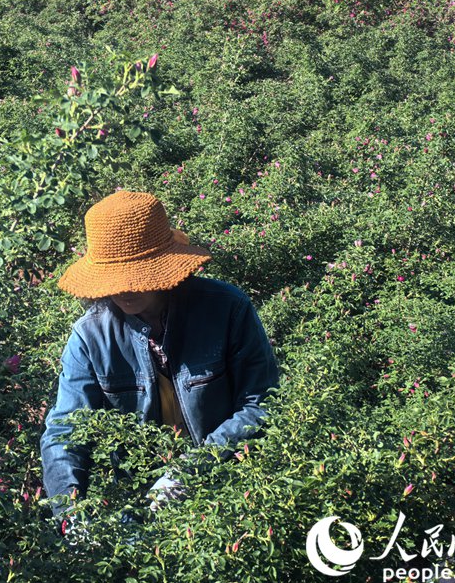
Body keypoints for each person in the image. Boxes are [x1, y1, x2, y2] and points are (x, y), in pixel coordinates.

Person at [40, 190, 279, 516]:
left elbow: (261, 402)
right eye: (114, 278)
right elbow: (65, 431)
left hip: (234, 485)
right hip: (140, 504)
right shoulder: (90, 336)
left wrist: (195, 467)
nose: (123, 288)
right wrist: (70, 514)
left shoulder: (226, 309)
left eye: (136, 275)